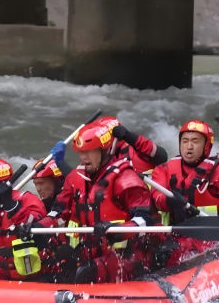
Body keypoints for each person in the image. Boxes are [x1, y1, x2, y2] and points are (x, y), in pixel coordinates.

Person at [41, 120, 154, 283]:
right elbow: (58, 212)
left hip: (125, 258)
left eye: (88, 152)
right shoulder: (76, 177)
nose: (83, 158)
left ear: (104, 150)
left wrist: (119, 229)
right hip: (92, 253)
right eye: (80, 152)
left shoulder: (124, 177)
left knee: (86, 272)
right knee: (59, 265)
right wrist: (38, 225)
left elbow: (145, 220)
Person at [150, 120, 219, 266]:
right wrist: (169, 201)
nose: (189, 146)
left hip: (214, 238)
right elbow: (157, 197)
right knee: (160, 256)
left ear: (207, 146)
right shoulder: (164, 170)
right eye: (185, 141)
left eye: (195, 141)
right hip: (179, 235)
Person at [97, 115, 168, 172]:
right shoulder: (95, 159)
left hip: (145, 186)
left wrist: (130, 137)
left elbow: (162, 156)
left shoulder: (134, 149)